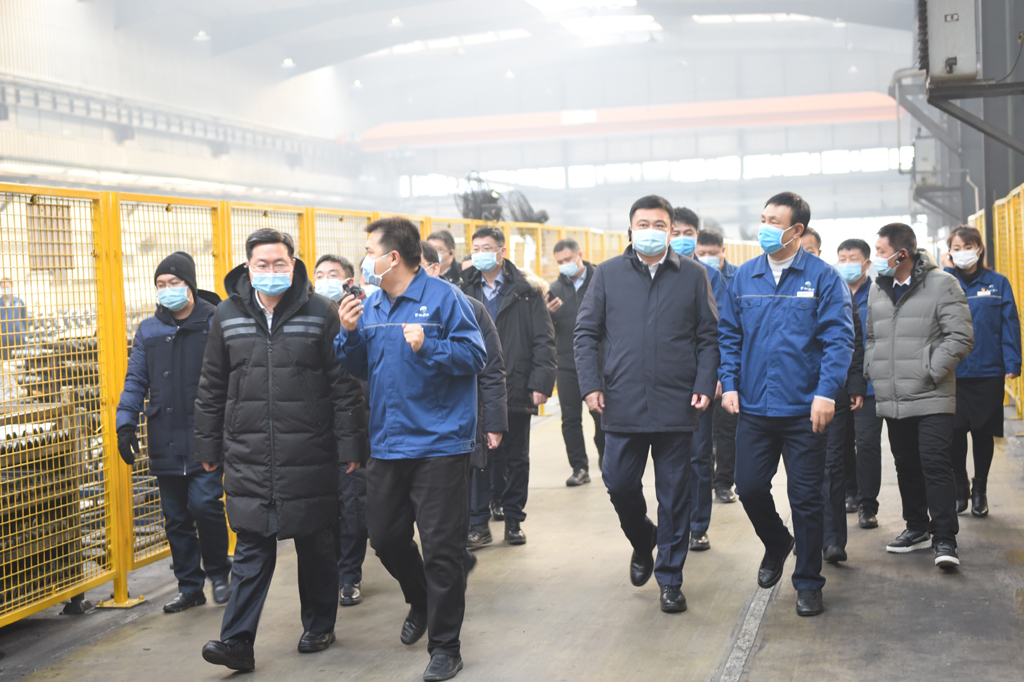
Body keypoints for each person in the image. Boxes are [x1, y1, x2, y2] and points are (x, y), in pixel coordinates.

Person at [194, 229, 367, 672]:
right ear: (248, 268)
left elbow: (344, 387)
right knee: (251, 546)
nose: (271, 271)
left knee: (315, 542)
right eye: (262, 264)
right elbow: (212, 385)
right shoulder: (227, 314)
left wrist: (351, 445)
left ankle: (319, 625)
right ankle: (236, 642)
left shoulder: (321, 312)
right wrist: (207, 444)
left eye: (279, 264)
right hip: (248, 450)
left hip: (310, 449)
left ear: (293, 265)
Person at [336, 217, 486, 682]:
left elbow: (476, 355)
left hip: (440, 443)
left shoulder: (445, 299)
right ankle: (420, 599)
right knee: (384, 538)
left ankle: (445, 648)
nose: (365, 260)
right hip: (388, 441)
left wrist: (430, 347)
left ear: (393, 257)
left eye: (369, 251)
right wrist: (348, 333)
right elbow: (361, 366)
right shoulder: (372, 304)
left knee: (442, 549)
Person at [575, 195, 719, 614]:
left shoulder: (693, 275)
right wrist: (590, 385)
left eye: (659, 225)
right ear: (630, 229)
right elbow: (585, 333)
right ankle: (643, 540)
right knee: (619, 483)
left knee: (674, 497)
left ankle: (670, 580)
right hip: (622, 401)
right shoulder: (608, 274)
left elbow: (709, 336)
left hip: (677, 403)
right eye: (643, 224)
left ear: (671, 231)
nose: (651, 231)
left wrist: (704, 383)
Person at [718, 191, 854, 617]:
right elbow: (729, 335)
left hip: (804, 410)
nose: (764, 227)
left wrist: (826, 392)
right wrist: (729, 383)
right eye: (763, 219)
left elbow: (839, 339)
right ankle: (777, 541)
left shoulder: (823, 278)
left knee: (806, 498)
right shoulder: (745, 276)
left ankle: (808, 581)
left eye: (774, 221)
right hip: (755, 407)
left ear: (797, 230)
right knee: (749, 487)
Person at [116, 252, 231, 613]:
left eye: (174, 283)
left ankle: (220, 573)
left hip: (205, 437)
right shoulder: (149, 330)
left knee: (205, 505)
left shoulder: (215, 322)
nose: (167, 289)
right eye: (161, 284)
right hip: (164, 437)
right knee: (176, 517)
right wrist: (125, 422)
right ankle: (189, 586)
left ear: (190, 285)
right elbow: (136, 379)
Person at [865, 223, 973, 569]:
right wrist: (873, 368)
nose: (876, 258)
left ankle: (945, 538)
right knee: (906, 464)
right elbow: (871, 337)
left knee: (935, 464)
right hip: (893, 395)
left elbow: (961, 336)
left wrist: (929, 370)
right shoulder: (878, 288)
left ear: (902, 254)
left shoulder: (943, 284)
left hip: (932, 394)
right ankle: (916, 528)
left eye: (880, 252)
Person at [461, 226, 556, 545]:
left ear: (502, 252)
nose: (480, 254)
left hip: (516, 383)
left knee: (516, 457)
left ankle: (514, 519)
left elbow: (544, 339)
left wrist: (541, 382)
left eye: (486, 248)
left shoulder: (527, 291)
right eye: (475, 249)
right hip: (475, 388)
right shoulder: (463, 290)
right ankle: (478, 523)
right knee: (478, 457)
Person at [421, 241, 508, 550]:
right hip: (413, 426)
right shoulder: (385, 310)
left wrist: (493, 423)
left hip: (460, 418)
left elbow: (491, 369)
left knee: (466, 481)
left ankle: (476, 525)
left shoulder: (468, 307)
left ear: (435, 269)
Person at [941, 226, 1020, 517]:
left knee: (983, 433)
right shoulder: (944, 283)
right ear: (949, 252)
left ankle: (980, 491)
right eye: (956, 248)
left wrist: (1013, 362)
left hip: (988, 370)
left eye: (968, 246)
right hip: (952, 373)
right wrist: (947, 271)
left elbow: (1009, 323)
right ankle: (960, 486)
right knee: (954, 433)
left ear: (979, 248)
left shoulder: (997, 283)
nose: (963, 252)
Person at [799, 232, 866, 565]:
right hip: (793, 394)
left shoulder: (832, 283)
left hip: (830, 390)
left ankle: (833, 540)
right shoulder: (774, 285)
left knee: (832, 464)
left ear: (818, 251)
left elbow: (851, 338)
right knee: (801, 470)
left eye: (808, 249)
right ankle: (806, 536)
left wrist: (854, 384)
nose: (801, 254)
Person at [313, 254, 369, 607]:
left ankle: (350, 575)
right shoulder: (308, 314)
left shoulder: (364, 314)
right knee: (325, 506)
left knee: (353, 505)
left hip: (355, 422)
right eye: (319, 274)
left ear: (349, 281)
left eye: (332, 274)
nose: (324, 280)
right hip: (316, 428)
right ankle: (332, 571)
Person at [670, 207, 727, 553]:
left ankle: (697, 526)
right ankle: (672, 524)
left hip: (697, 383)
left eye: (688, 233)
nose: (681, 239)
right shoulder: (651, 274)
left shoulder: (710, 276)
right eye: (675, 232)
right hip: (662, 381)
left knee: (698, 455)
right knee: (667, 460)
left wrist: (714, 375)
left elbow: (719, 331)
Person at [546, 238, 604, 486]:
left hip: (599, 361)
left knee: (602, 414)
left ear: (580, 255)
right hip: (567, 363)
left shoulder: (601, 279)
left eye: (568, 259)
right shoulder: (554, 290)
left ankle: (607, 460)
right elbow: (545, 331)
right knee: (570, 419)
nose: (564, 265)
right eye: (559, 262)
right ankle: (579, 467)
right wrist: (548, 315)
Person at [836, 239, 884, 530]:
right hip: (839, 383)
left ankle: (868, 504)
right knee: (841, 443)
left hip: (870, 384)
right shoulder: (833, 292)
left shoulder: (879, 294)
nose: (846, 264)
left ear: (866, 263)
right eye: (841, 259)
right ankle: (849, 491)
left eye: (852, 259)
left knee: (866, 444)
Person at [695, 227, 739, 503]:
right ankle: (706, 480)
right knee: (702, 432)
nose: (707, 257)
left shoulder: (737, 278)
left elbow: (731, 330)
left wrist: (725, 373)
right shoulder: (691, 275)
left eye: (712, 253)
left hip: (728, 369)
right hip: (700, 369)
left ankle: (723, 483)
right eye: (702, 253)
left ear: (723, 251)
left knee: (727, 430)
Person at [0, 276, 26, 361]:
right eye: (3, 287)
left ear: (12, 286)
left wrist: (25, 333)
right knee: (5, 363)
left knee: (20, 363)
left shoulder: (19, 302)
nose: (5, 289)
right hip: (3, 339)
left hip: (18, 338)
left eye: (7, 287)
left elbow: (24, 318)